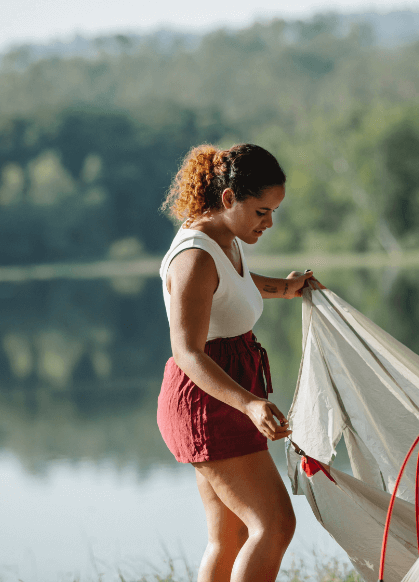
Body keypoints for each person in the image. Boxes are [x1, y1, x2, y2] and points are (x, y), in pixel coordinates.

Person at [158, 143, 317, 582]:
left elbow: (234, 288)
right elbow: (186, 351)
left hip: (224, 396)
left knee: (229, 539)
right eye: (262, 211)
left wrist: (287, 288)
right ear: (229, 200)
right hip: (208, 402)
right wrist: (249, 403)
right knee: (275, 525)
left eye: (274, 212)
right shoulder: (194, 256)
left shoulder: (224, 239)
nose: (269, 223)